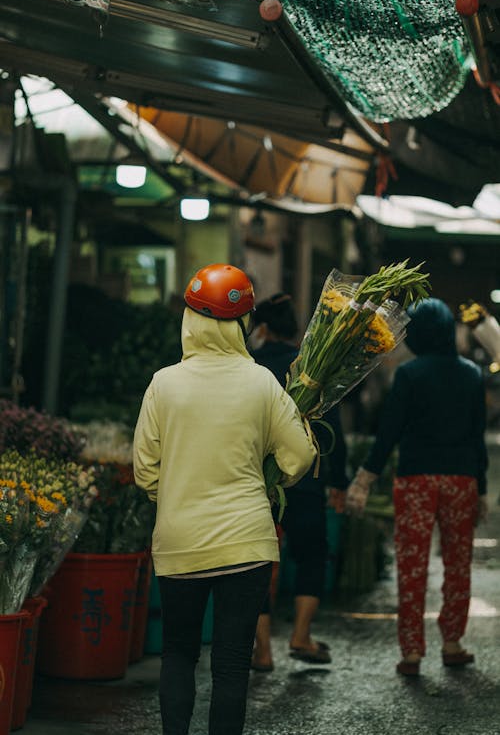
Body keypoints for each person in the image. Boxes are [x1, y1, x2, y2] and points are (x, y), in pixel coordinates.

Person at [133, 264, 316, 735]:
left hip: (180, 543)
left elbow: (144, 472)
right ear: (242, 325)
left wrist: (174, 493)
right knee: (232, 666)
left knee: (178, 654)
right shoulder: (262, 383)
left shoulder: (162, 383)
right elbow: (298, 458)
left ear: (190, 320)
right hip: (247, 545)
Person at [345, 297, 489, 676]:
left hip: (416, 481)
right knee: (458, 564)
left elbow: (388, 434)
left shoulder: (408, 376)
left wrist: (364, 478)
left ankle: (411, 652)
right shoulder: (472, 374)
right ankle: (453, 642)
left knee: (413, 565)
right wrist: (484, 489)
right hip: (462, 479)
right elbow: (477, 438)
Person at [249, 292, 349, 670]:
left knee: (257, 562)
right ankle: (301, 636)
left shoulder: (252, 367)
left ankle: (262, 651)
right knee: (311, 554)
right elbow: (330, 427)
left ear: (262, 329)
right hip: (306, 479)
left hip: (260, 481)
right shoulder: (310, 367)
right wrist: (337, 480)